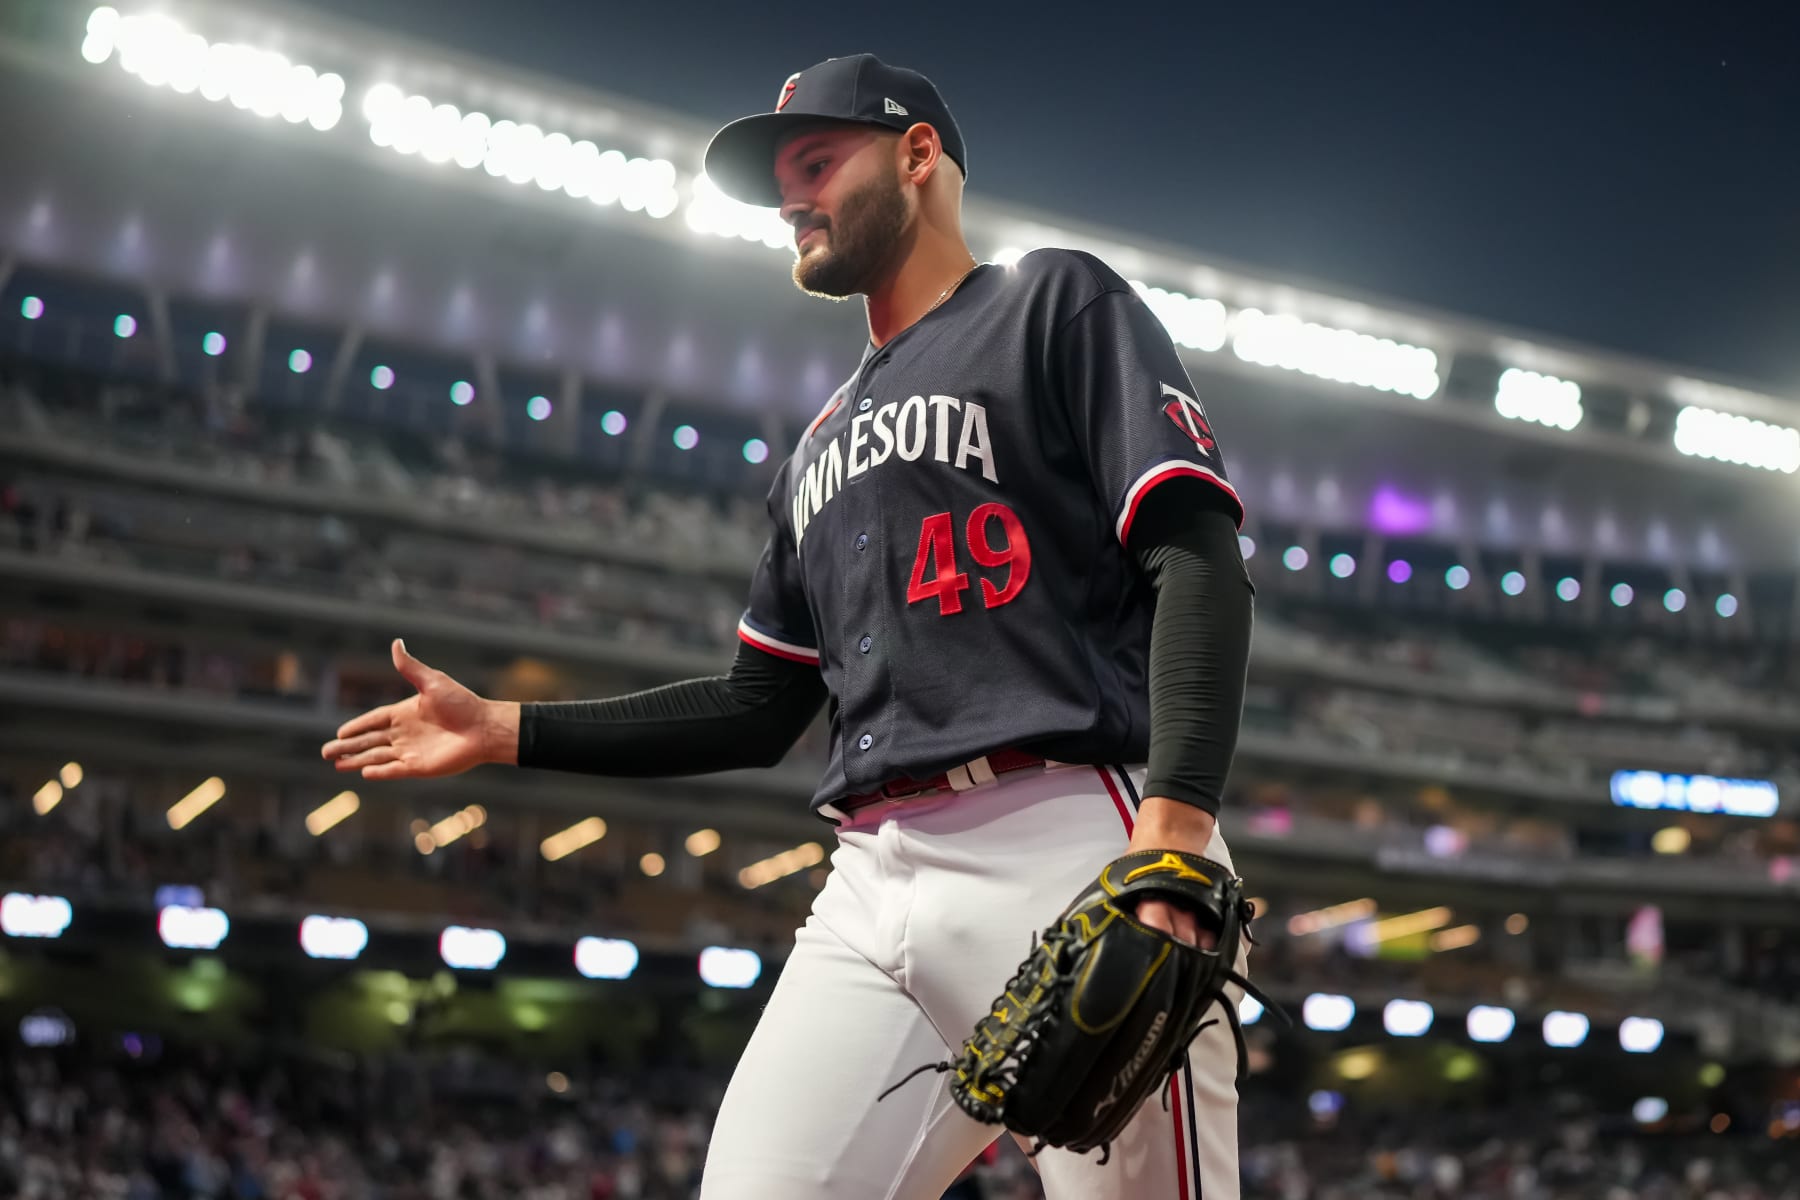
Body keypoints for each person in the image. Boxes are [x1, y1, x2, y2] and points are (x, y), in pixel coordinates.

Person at [322, 53, 1255, 1200]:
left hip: (1075, 836)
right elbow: (760, 704)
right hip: (871, 878)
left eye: (817, 162)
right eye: (782, 181)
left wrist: (1169, 836)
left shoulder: (1053, 300)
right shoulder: (815, 445)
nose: (791, 198)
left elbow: (1194, 558)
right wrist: (508, 726)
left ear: (919, 156)